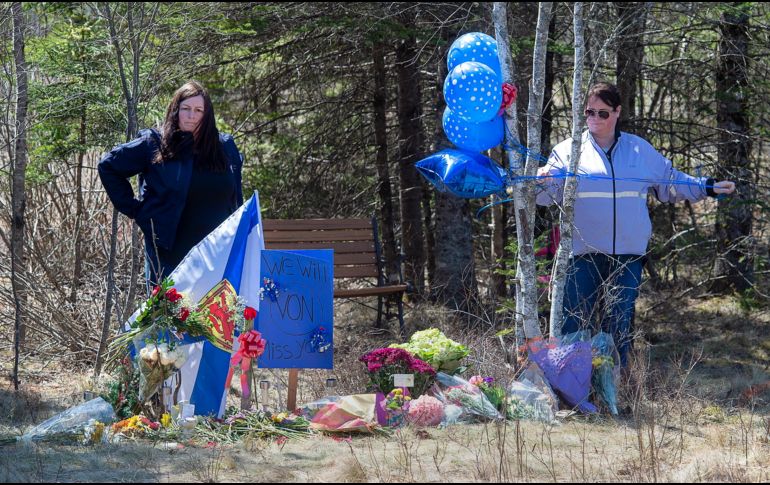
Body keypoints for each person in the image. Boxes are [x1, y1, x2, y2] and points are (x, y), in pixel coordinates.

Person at [536, 82, 735, 366]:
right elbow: (544, 197)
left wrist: (708, 187)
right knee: (574, 325)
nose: (594, 118)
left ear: (617, 112)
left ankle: (615, 390)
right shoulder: (567, 151)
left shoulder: (639, 151)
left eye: (602, 113)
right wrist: (540, 181)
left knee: (619, 325)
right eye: (589, 112)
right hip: (581, 256)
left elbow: (671, 183)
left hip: (628, 257)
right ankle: (572, 389)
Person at [99, 80, 244, 290]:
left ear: (207, 114)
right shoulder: (155, 143)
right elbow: (108, 166)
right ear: (175, 110)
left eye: (198, 110)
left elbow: (236, 197)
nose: (191, 116)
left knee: (216, 319)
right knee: (168, 319)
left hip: (217, 252)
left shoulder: (224, 147)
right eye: (185, 109)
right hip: (169, 253)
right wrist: (137, 211)